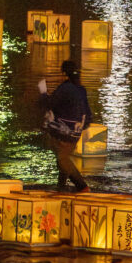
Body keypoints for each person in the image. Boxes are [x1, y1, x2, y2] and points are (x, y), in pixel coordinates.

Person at [38, 60, 92, 192]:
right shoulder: (81, 89)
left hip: (64, 132)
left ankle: (82, 187)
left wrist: (43, 91)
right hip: (76, 133)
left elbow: (49, 103)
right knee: (63, 158)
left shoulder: (65, 88)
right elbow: (88, 114)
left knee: (62, 160)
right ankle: (61, 187)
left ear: (64, 74)